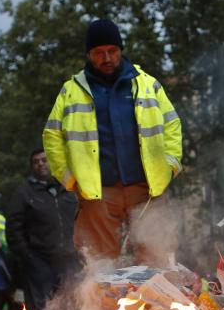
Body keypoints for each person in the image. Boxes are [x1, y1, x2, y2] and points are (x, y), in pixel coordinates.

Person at [43, 19, 182, 264]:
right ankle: (102, 303)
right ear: (89, 54)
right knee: (101, 263)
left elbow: (172, 123)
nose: (106, 58)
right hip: (98, 192)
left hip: (147, 187)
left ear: (121, 51)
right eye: (99, 52)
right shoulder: (71, 91)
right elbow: (52, 135)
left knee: (155, 259)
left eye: (112, 51)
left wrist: (170, 164)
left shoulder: (148, 84)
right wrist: (69, 178)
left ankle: (156, 302)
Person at [6, 148, 79, 310]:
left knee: (74, 301)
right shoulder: (24, 192)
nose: (40, 164)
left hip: (69, 257)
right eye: (36, 162)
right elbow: (13, 227)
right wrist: (27, 256)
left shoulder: (68, 188)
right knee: (43, 309)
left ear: (51, 162)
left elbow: (81, 217)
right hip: (39, 260)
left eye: (44, 160)